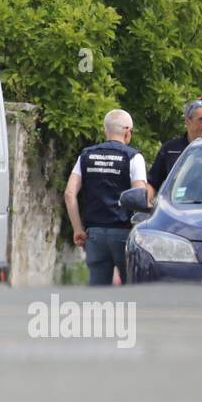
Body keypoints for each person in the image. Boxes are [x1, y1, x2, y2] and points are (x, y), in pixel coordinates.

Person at [63, 109, 147, 287]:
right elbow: (139, 197)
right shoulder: (133, 157)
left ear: (105, 131)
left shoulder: (86, 155)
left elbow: (70, 193)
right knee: (132, 289)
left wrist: (78, 229)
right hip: (124, 233)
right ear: (127, 132)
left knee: (97, 292)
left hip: (94, 235)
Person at [147, 97, 202, 204]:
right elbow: (153, 182)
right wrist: (145, 203)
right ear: (187, 121)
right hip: (178, 209)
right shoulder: (170, 149)